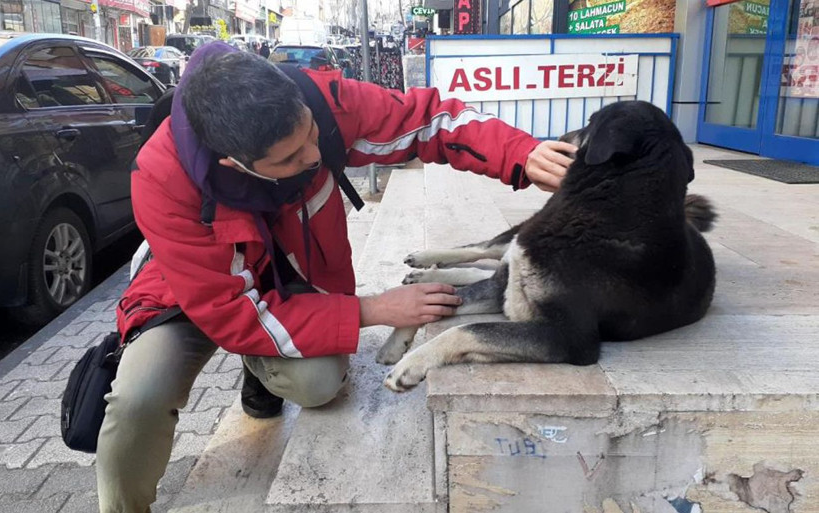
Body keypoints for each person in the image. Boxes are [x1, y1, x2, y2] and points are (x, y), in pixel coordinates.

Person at [95, 42, 576, 512]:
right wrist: (374, 309)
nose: (311, 156)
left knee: (319, 384)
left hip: (292, 278)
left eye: (310, 135)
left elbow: (426, 118)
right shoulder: (161, 180)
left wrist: (521, 152)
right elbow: (234, 316)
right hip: (194, 288)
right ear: (233, 161)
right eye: (288, 158)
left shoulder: (318, 104)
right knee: (138, 400)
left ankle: (260, 370)